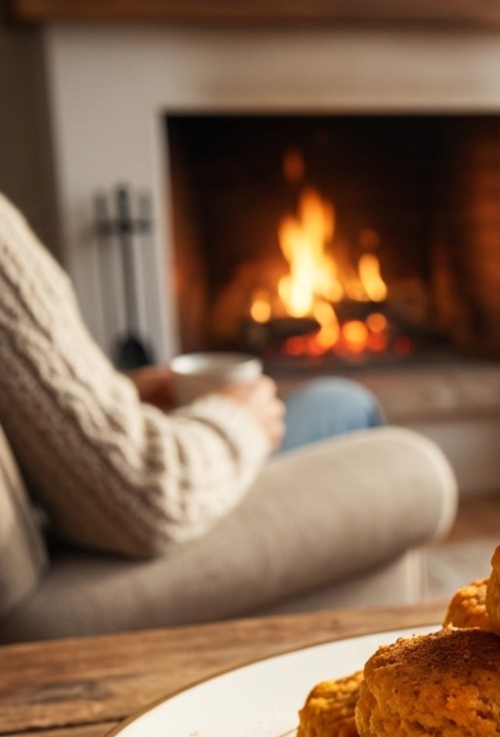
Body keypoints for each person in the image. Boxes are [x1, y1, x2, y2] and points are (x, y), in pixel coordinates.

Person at [0, 191, 384, 560]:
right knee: (348, 404)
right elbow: (142, 498)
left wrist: (121, 396)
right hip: (151, 513)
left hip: (91, 491)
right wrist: (242, 420)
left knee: (340, 400)